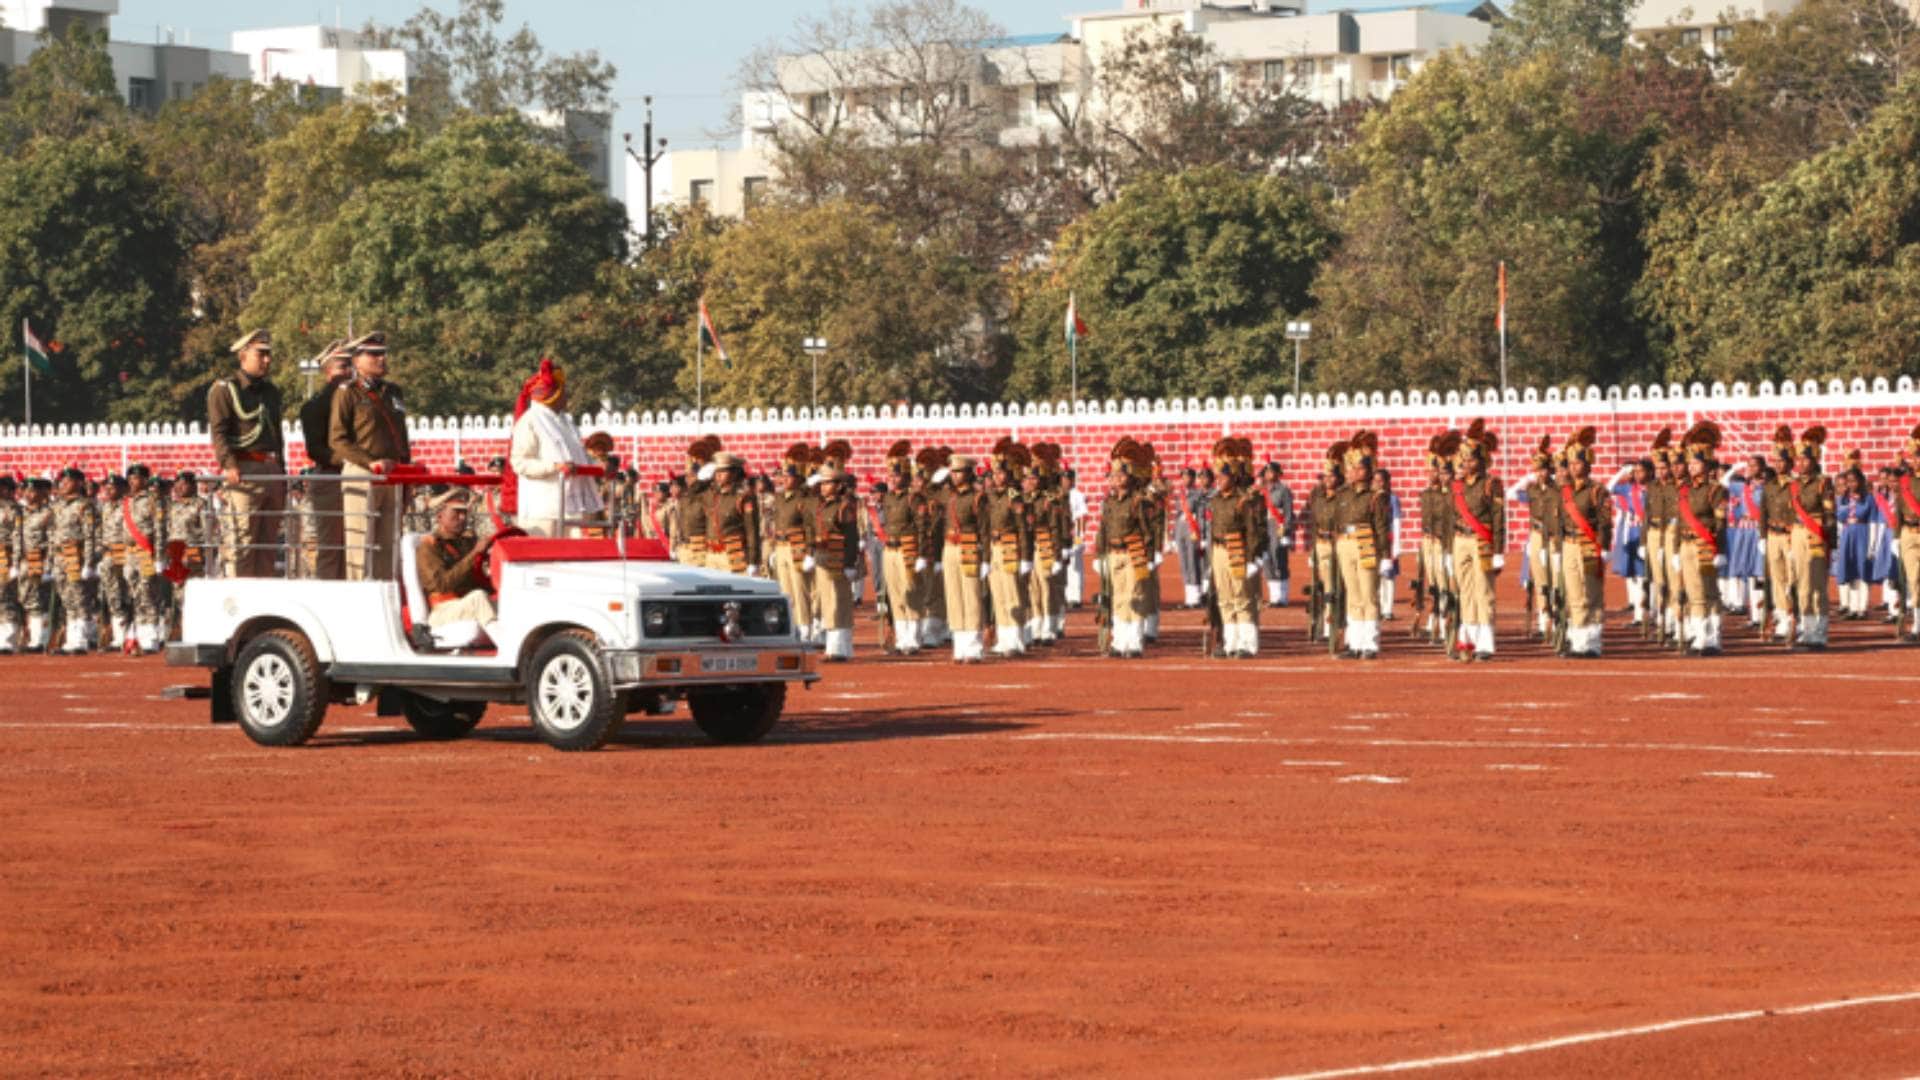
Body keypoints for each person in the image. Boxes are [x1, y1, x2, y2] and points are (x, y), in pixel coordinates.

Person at [329, 332, 411, 582]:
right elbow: (338, 439)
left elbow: (402, 436)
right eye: (374, 354)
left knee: (389, 545)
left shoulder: (393, 392)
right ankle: (359, 599)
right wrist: (368, 461)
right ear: (356, 360)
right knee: (361, 544)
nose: (382, 358)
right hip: (363, 472)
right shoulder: (348, 392)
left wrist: (407, 475)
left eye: (383, 352)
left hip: (393, 475)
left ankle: (386, 596)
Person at [207, 329, 287, 577]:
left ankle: (261, 603)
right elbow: (218, 433)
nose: (267, 360)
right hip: (245, 469)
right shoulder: (225, 389)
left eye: (268, 354)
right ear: (243, 355)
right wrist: (229, 465)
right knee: (242, 542)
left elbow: (277, 436)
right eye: (261, 354)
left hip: (271, 469)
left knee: (268, 544)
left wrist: (282, 472)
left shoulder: (270, 391)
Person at [503, 358, 602, 538]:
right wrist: (554, 467)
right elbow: (519, 463)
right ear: (553, 393)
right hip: (543, 512)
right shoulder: (529, 420)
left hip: (573, 508)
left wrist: (600, 467)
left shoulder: (568, 422)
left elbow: (581, 459)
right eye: (563, 390)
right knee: (544, 562)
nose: (567, 394)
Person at [1447, 421, 1505, 661]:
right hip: (1460, 540)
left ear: (1481, 461)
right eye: (1464, 459)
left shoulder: (1491, 485)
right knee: (1466, 590)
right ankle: (1468, 638)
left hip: (1482, 540)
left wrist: (1499, 550)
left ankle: (1486, 643)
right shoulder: (1457, 486)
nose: (1466, 464)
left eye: (1471, 459)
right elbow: (1452, 516)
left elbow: (1499, 519)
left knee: (1484, 591)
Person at [1328, 432, 1389, 660]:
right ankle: (1355, 643)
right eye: (1350, 467)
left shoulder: (1375, 497)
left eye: (1358, 468)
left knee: (1368, 595)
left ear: (1369, 469)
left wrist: (1385, 557)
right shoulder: (1342, 494)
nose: (1353, 472)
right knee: (1352, 595)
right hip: (1345, 544)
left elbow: (1382, 528)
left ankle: (1370, 643)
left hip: (1366, 543)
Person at [1672, 423, 1730, 655]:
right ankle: (1703, 635)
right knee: (1695, 591)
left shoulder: (1715, 490)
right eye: (1690, 462)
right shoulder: (1684, 489)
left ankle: (1707, 638)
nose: (1691, 466)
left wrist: (1721, 550)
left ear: (1706, 466)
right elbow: (1680, 521)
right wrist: (1676, 550)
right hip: (1686, 544)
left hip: (1705, 545)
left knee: (1706, 591)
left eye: (1695, 463)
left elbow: (1720, 523)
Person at [1206, 437, 1265, 658]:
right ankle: (1231, 642)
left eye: (1223, 475)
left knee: (1241, 597)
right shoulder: (1216, 500)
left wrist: (1252, 559)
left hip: (1237, 549)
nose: (1218, 479)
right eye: (1217, 475)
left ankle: (1247, 643)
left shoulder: (1244, 500)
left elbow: (1251, 532)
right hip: (1219, 551)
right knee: (1224, 598)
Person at [298, 340, 352, 580]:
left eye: (350, 366)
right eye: (342, 366)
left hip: (356, 477)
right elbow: (315, 449)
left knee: (357, 548)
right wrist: (349, 461)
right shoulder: (316, 406)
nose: (348, 371)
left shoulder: (360, 400)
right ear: (328, 370)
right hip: (332, 476)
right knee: (332, 548)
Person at [1558, 427, 1613, 658]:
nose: (1573, 467)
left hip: (1589, 546)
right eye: (1570, 464)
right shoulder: (1565, 491)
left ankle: (1592, 642)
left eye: (1577, 463)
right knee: (1574, 594)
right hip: (1570, 545)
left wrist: (1605, 547)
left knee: (1591, 594)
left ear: (1587, 465)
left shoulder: (1597, 490)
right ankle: (1578, 640)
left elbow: (1604, 521)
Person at [1099, 439, 1156, 659]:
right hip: (1114, 553)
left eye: (1120, 476)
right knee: (1119, 597)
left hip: (1133, 552)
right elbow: (1103, 529)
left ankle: (1134, 641)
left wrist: (1149, 557)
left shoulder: (1137, 501)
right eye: (1113, 476)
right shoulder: (1109, 502)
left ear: (1129, 477)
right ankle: (1120, 640)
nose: (1115, 480)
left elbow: (1147, 531)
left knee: (1135, 596)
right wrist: (1100, 552)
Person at [415, 490, 499, 634]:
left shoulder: (465, 542)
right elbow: (441, 585)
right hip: (443, 609)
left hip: (463, 603)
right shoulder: (429, 546)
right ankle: (509, 649)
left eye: (465, 513)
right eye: (456, 513)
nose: (462, 518)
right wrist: (474, 554)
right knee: (478, 598)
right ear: (440, 516)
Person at [935, 451, 990, 663]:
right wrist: (937, 478)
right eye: (953, 472)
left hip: (969, 547)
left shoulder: (977, 498)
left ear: (968, 473)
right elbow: (928, 492)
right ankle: (960, 646)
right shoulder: (949, 496)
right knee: (954, 597)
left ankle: (974, 648)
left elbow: (984, 529)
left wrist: (985, 560)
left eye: (959, 472)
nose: (955, 475)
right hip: (949, 547)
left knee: (971, 596)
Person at [1784, 425, 1836, 648]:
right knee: (1801, 584)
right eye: (1799, 460)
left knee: (1817, 585)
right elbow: (1789, 513)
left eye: (1805, 460)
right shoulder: (1793, 484)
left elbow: (1830, 514)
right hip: (1796, 534)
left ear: (1814, 460)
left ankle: (1819, 631)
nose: (1801, 464)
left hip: (1816, 535)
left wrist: (1831, 543)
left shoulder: (1823, 482)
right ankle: (1807, 629)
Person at [877, 441, 928, 653]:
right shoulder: (888, 497)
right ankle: (901, 637)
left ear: (906, 476)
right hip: (890, 549)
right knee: (896, 594)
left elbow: (922, 526)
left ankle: (913, 638)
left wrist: (922, 554)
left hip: (907, 548)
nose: (892, 479)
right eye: (890, 475)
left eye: (896, 475)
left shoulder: (913, 498)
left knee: (911, 592)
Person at [809, 458, 861, 661]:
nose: (823, 487)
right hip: (822, 557)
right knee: (826, 600)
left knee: (838, 602)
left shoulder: (844, 506)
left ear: (839, 486)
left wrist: (849, 563)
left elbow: (851, 536)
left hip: (837, 558)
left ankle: (839, 647)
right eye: (822, 483)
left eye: (828, 483)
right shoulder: (823, 506)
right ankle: (837, 646)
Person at [985, 438, 1033, 657]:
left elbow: (1023, 527)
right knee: (999, 594)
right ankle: (1004, 638)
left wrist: (1026, 557)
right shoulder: (990, 497)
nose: (997, 477)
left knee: (1013, 593)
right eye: (995, 473)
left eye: (1001, 473)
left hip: (1010, 547)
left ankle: (1015, 638)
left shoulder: (1014, 497)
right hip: (994, 548)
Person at [51, 467, 101, 654]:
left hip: (76, 555)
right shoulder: (58, 505)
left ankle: (80, 639)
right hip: (59, 555)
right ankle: (72, 638)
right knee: (66, 598)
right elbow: (52, 532)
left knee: (80, 597)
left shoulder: (85, 505)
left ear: (79, 483)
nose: (63, 484)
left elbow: (91, 535)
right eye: (62, 480)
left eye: (68, 480)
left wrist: (89, 563)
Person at [1026, 443, 1071, 646]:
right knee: (1033, 586)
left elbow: (1056, 526)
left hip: (1046, 544)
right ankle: (1036, 622)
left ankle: (1049, 624)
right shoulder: (1026, 498)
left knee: (1048, 585)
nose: (1030, 482)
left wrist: (1059, 551)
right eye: (1028, 478)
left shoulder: (1050, 499)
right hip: (1031, 544)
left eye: (1034, 478)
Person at [121, 465, 169, 654]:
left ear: (145, 480)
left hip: (146, 552)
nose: (134, 482)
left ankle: (151, 636)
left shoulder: (153, 500)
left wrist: (159, 555)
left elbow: (159, 528)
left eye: (138, 478)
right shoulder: (126, 501)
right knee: (135, 594)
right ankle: (140, 634)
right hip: (130, 553)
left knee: (148, 592)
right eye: (131, 478)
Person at [1831, 458, 1878, 621]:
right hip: (1847, 534)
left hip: (1863, 533)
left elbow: (1873, 521)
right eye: (1848, 481)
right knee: (1849, 569)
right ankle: (1852, 607)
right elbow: (1839, 518)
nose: (1851, 484)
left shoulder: (1869, 498)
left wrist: (1872, 545)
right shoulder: (1843, 499)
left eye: (1854, 480)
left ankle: (1862, 607)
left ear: (1861, 481)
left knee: (1862, 570)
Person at [1726, 456, 1768, 629]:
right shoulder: (1743, 487)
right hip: (1744, 530)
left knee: (1760, 574)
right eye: (1748, 465)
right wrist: (1737, 467)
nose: (1749, 468)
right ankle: (1754, 616)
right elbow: (1725, 481)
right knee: (1750, 573)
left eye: (1753, 465)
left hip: (1758, 529)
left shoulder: (1766, 487)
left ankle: (1763, 614)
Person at [703, 451, 761, 576]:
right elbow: (691, 497)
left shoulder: (743, 497)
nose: (718, 476)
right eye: (716, 472)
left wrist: (753, 561)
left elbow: (752, 532)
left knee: (735, 593)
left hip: (733, 554)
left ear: (734, 473)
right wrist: (701, 480)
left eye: (723, 472)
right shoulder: (712, 495)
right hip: (712, 554)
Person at [15, 478, 55, 652]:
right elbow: (17, 537)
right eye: (26, 491)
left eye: (33, 491)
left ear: (41, 493)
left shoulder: (48, 513)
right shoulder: (21, 513)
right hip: (23, 561)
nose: (29, 494)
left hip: (40, 559)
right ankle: (30, 637)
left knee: (38, 600)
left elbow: (53, 539)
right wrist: (15, 563)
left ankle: (40, 640)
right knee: (25, 599)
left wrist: (49, 564)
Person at [1307, 453, 1341, 642]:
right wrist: (1313, 550)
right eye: (1326, 476)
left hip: (1336, 544)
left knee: (1335, 586)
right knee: (1324, 586)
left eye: (1332, 476)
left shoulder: (1343, 497)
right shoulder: (1318, 499)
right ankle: (1326, 624)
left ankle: (1335, 623)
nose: (1328, 480)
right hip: (1321, 543)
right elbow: (1314, 524)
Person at [97, 474, 132, 650]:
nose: (108, 490)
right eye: (106, 488)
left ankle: (130, 635)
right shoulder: (105, 507)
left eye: (112, 487)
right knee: (112, 596)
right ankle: (119, 637)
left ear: (122, 488)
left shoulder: (128, 506)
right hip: (108, 556)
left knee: (127, 595)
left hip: (125, 554)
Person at [1895, 425, 1920, 641]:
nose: (1917, 461)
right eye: (1915, 457)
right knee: (1913, 580)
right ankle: (1917, 626)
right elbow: (1898, 510)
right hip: (1908, 533)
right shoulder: (1904, 483)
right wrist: (1896, 536)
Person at [1260, 462, 1295, 607]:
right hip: (1265, 527)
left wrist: (1286, 531)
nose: (1269, 475)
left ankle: (1283, 596)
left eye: (1272, 472)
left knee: (1279, 559)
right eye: (1267, 472)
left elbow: (1288, 512)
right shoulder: (1262, 490)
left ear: (1277, 473)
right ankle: (1274, 596)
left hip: (1277, 526)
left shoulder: (1283, 490)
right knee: (1267, 560)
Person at [1174, 468, 1209, 608]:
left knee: (1194, 562)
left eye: (1188, 477)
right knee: (1184, 563)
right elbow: (1176, 515)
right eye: (1183, 477)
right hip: (1181, 530)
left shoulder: (1198, 495)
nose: (1185, 479)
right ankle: (1189, 596)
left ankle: (1196, 596)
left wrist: (1203, 534)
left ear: (1193, 479)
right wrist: (1173, 536)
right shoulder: (1181, 494)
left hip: (1193, 530)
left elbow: (1201, 515)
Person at [1375, 468, 1403, 621]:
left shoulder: (1392, 499)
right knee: (1376, 576)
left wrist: (1397, 543)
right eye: (1376, 480)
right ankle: (1378, 606)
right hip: (1375, 541)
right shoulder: (1372, 497)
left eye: (1381, 481)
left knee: (1389, 576)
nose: (1378, 484)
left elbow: (1397, 521)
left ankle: (1387, 608)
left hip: (1389, 539)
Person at [0, 476, 20, 653]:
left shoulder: (13, 510)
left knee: (5, 597)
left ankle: (8, 639)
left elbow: (17, 536)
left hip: (5, 555)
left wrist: (16, 562)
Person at [1065, 469, 1088, 608]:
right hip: (1062, 534)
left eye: (1067, 479)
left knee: (1075, 566)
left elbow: (1082, 516)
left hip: (1074, 533)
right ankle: (1065, 595)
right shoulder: (1060, 494)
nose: (1065, 482)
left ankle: (1075, 597)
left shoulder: (1077, 495)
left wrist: (1080, 536)